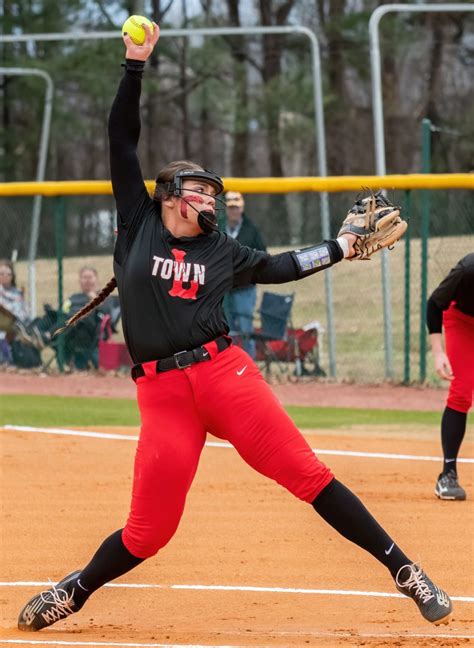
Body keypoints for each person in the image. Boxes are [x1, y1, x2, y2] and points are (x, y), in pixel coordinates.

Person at [17, 23, 452, 633]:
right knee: (148, 533)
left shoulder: (223, 248)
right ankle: (75, 590)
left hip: (225, 376)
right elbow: (121, 137)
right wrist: (134, 66)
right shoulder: (137, 221)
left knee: (309, 475)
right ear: (170, 195)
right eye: (200, 191)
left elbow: (279, 267)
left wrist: (339, 246)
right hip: (162, 396)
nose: (211, 201)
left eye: (213, 194)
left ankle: (407, 572)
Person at [427, 252, 474, 501]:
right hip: (462, 321)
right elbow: (434, 304)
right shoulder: (468, 268)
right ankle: (447, 474)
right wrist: (438, 353)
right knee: (461, 393)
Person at [220, 191, 266, 358]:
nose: (233, 211)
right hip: (224, 289)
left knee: (247, 330)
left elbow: (262, 255)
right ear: (226, 209)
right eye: (230, 207)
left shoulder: (251, 230)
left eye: (236, 207)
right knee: (226, 331)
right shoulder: (218, 227)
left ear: (241, 208)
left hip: (245, 289)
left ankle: (250, 365)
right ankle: (229, 366)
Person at [62, 266, 113, 370]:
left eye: (90, 277)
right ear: (80, 280)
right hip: (68, 328)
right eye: (84, 277)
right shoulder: (73, 297)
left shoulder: (103, 296)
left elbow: (107, 314)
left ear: (96, 279)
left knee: (83, 317)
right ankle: (44, 335)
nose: (87, 280)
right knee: (50, 316)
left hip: (89, 332)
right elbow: (63, 312)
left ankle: (48, 335)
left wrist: (94, 298)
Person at [0, 260, 33, 365]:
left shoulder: (18, 293)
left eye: (8, 274)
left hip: (17, 326)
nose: (5, 276)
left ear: (12, 276)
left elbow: (25, 313)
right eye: (1, 273)